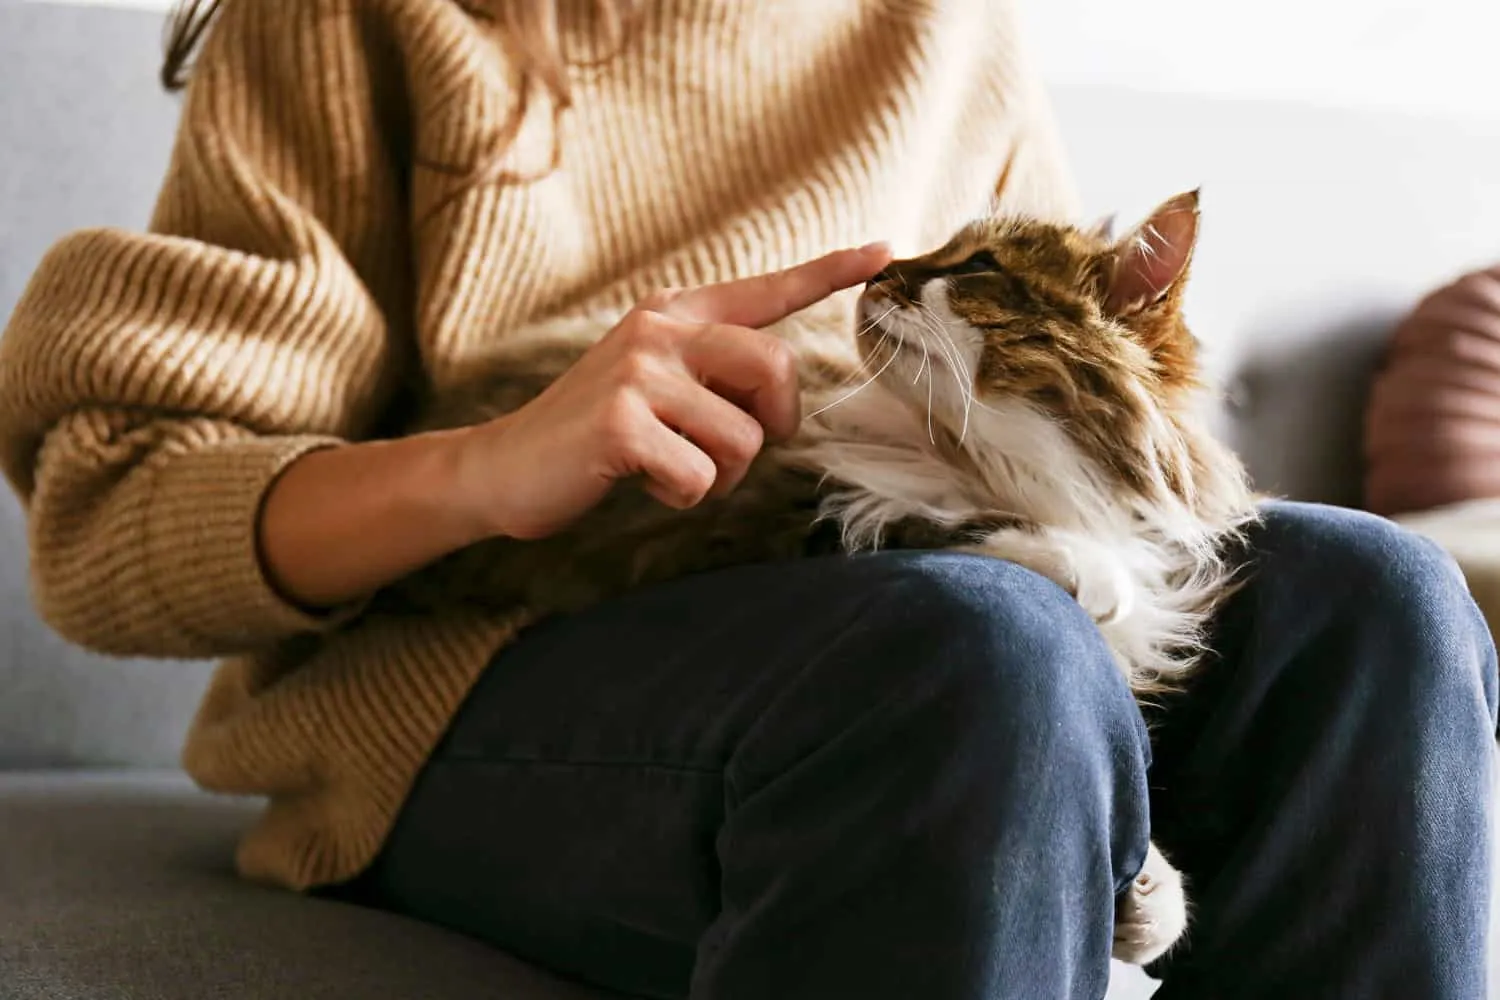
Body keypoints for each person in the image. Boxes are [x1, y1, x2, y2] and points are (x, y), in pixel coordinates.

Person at [0, 0, 1493, 997]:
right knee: (975, 652)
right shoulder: (352, 20)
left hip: (893, 611)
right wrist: (488, 466)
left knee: (1380, 598)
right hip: (478, 677)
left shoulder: (942, 25)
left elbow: (1080, 393)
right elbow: (112, 518)